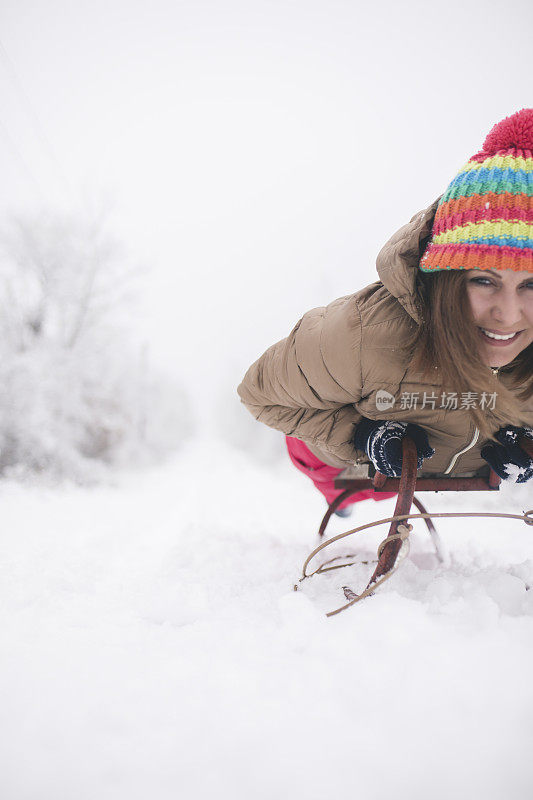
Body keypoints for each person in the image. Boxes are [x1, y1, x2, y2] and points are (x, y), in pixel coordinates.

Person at [237, 108, 533, 516]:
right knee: (341, 469)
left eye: (531, 285)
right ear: (447, 277)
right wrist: (361, 437)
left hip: (457, 460)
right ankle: (340, 498)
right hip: (360, 462)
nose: (509, 313)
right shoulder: (361, 335)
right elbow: (261, 394)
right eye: (483, 280)